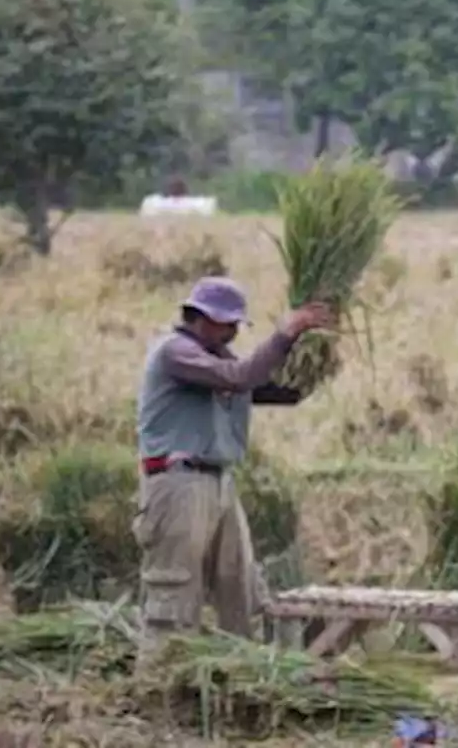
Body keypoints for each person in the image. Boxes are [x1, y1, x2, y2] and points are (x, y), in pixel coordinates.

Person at [133, 276, 332, 651]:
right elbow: (240, 378)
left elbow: (280, 392)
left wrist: (317, 353)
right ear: (200, 318)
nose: (232, 333)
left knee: (238, 582)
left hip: (218, 482)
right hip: (177, 484)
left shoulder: (221, 361)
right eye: (227, 324)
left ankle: (240, 675)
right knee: (175, 590)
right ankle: (160, 679)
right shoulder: (177, 354)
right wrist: (285, 333)